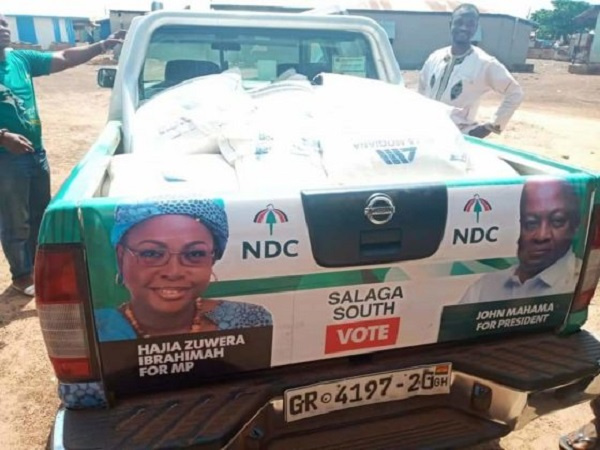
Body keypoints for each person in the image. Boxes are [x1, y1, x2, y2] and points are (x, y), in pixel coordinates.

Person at [0, 14, 125, 296]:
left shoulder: (19, 60)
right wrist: (3, 138)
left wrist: (101, 45)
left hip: (34, 153)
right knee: (14, 220)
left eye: (4, 24)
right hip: (6, 159)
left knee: (39, 213)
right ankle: (22, 275)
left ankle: (38, 268)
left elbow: (66, 56)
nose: (3, 30)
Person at [95, 198, 272, 341]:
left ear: (212, 259)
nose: (173, 272)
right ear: (120, 257)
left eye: (194, 254)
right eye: (151, 253)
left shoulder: (248, 320)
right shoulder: (95, 333)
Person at [460, 179, 582, 304]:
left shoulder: (578, 280)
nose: (541, 236)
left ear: (575, 226)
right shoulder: (484, 288)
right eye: (531, 223)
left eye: (557, 221)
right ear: (519, 227)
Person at [418, 4, 524, 138]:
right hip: (427, 131)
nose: (464, 28)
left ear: (475, 28)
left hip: (457, 136)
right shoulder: (435, 57)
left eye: (470, 24)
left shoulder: (484, 63)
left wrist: (493, 125)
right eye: (459, 22)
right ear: (451, 24)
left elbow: (515, 93)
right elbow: (422, 90)